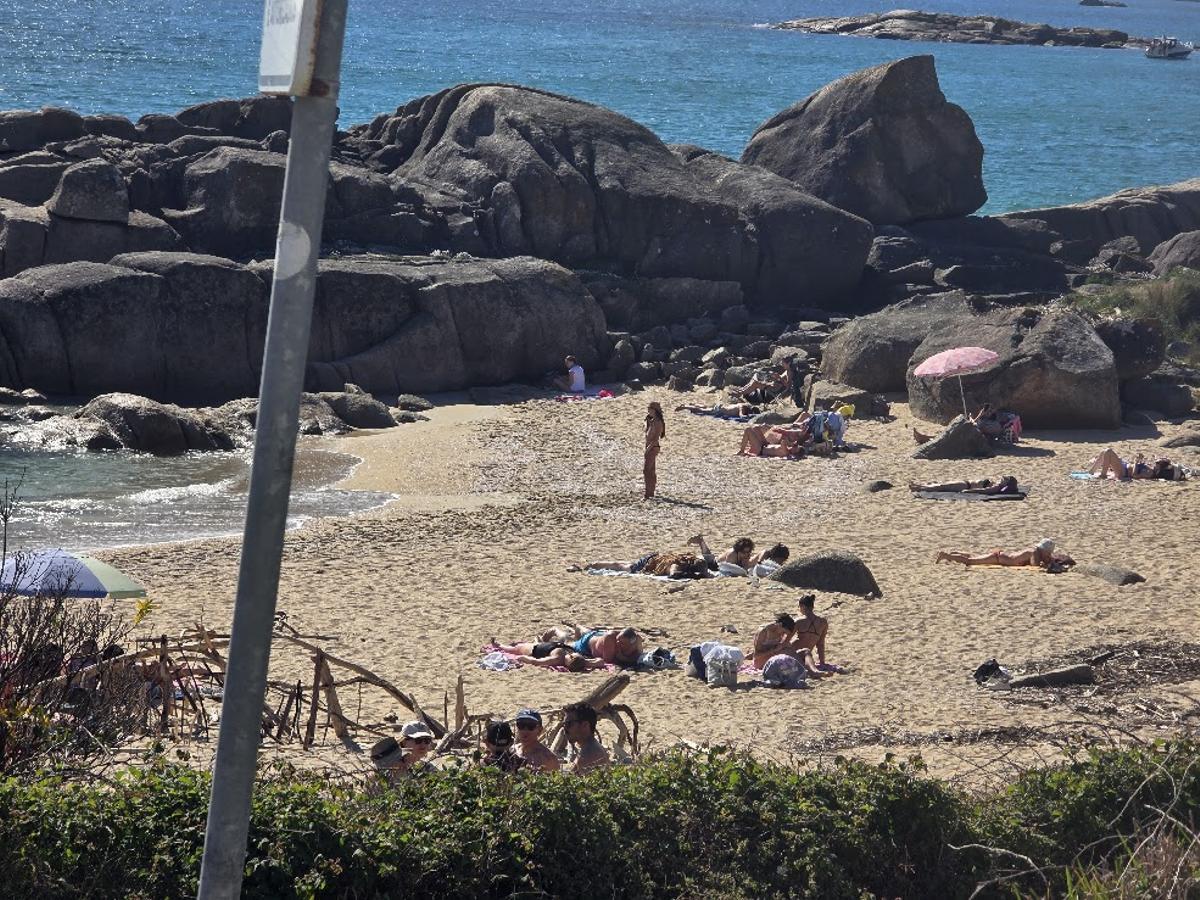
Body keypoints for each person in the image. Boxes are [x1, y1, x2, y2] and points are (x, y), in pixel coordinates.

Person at [936, 539, 1075, 571]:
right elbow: (1035, 566)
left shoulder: (1035, 551)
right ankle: (946, 555)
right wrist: (1048, 563)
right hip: (998, 558)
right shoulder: (1034, 553)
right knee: (970, 561)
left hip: (1000, 557)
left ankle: (955, 554)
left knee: (974, 556)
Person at [371, 720, 436, 782]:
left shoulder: (427, 767)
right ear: (404, 741)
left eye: (427, 740)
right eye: (418, 740)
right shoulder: (389, 765)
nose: (423, 745)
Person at [577, 550, 713, 579]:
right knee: (622, 567)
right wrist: (696, 576)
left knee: (625, 564)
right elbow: (674, 575)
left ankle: (591, 564)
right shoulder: (677, 565)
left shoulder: (689, 560)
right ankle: (591, 565)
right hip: (650, 562)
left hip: (656, 559)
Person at [492, 639, 606, 672]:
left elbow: (536, 662)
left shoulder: (557, 659)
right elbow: (601, 661)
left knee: (515, 649)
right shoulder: (579, 660)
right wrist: (586, 663)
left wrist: (522, 658)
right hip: (551, 644)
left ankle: (500, 646)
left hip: (534, 650)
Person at [563, 701, 611, 774]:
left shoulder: (589, 755)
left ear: (585, 725)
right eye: (564, 724)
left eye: (569, 724)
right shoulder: (591, 748)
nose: (565, 728)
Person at [792, 594, 830, 669]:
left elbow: (787, 639)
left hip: (795, 653)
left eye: (799, 607)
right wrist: (822, 663)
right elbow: (820, 644)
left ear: (803, 606)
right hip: (806, 655)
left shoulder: (799, 621)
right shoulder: (823, 622)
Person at [908, 476, 1020, 494]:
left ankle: (918, 488)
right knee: (940, 484)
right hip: (965, 483)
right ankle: (919, 485)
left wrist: (968, 492)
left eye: (1004, 478)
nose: (1002, 477)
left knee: (941, 487)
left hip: (966, 486)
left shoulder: (997, 487)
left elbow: (983, 491)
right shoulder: (998, 485)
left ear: (1006, 483)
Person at [644, 402, 665, 500]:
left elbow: (656, 438)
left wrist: (648, 449)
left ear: (654, 410)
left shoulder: (658, 422)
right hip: (650, 446)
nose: (648, 411)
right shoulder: (652, 421)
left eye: (650, 409)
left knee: (647, 470)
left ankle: (648, 493)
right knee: (651, 470)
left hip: (653, 448)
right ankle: (651, 491)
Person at [674, 401, 761, 418]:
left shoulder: (742, 404)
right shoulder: (743, 407)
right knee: (701, 411)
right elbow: (741, 415)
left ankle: (693, 404)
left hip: (721, 407)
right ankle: (685, 406)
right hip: (720, 410)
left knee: (705, 407)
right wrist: (749, 417)